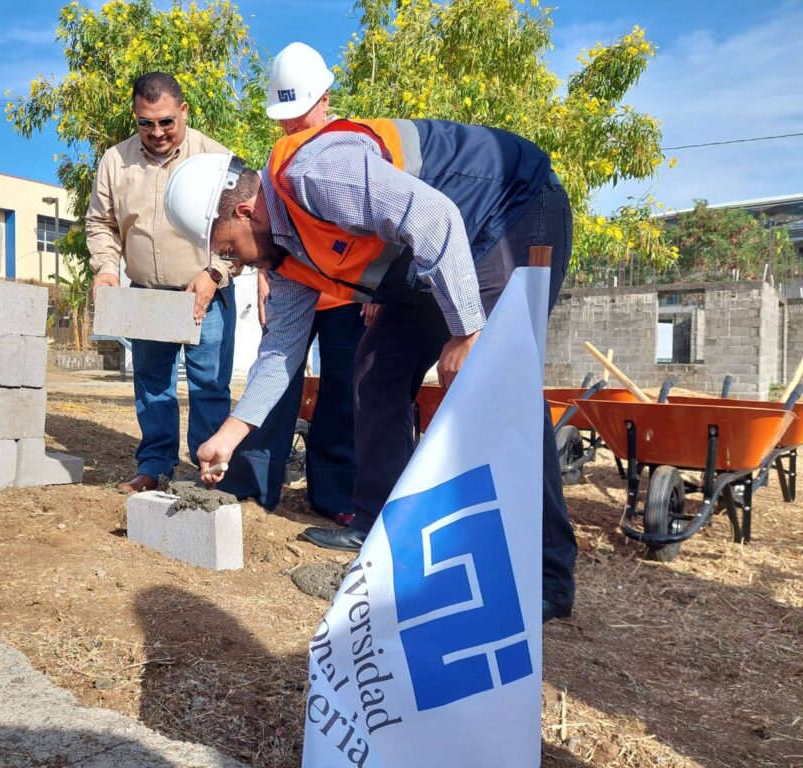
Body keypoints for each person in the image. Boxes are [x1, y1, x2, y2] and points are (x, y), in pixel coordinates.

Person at [164, 115, 578, 622]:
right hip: (440, 252)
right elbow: (282, 350)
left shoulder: (317, 174)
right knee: (375, 370)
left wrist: (470, 333)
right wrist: (230, 434)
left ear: (246, 210)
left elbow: (433, 217)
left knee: (498, 378)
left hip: (509, 211)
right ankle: (380, 527)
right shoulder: (286, 253)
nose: (239, 264)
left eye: (229, 248)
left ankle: (549, 574)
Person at [219, 43, 365, 526]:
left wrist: (379, 297)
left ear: (325, 98)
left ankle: (334, 495)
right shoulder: (280, 160)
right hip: (296, 292)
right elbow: (269, 228)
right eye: (283, 118)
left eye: (298, 114)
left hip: (350, 297)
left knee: (343, 392)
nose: (290, 126)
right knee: (277, 385)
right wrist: (265, 275)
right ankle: (254, 484)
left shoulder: (353, 150)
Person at [86, 73, 236, 493]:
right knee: (153, 387)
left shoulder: (217, 159)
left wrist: (214, 274)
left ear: (184, 111)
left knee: (209, 386)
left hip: (206, 294)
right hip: (147, 295)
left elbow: (243, 229)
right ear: (135, 117)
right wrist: (107, 268)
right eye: (145, 123)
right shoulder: (115, 161)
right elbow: (101, 223)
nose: (157, 133)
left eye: (166, 122)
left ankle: (209, 473)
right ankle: (155, 465)